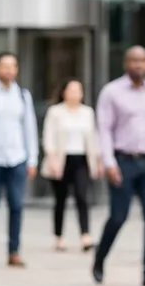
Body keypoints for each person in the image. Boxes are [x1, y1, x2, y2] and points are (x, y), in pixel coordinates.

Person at [93, 46, 145, 286]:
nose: (138, 65)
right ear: (126, 63)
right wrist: (108, 162)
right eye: (134, 60)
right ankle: (99, 258)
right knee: (118, 216)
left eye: (143, 60)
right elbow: (104, 129)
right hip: (123, 161)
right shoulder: (111, 92)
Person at [0, 52, 38, 267]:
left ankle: (14, 251)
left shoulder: (22, 95)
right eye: (4, 66)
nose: (9, 70)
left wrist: (32, 159)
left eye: (13, 66)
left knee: (16, 205)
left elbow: (29, 128)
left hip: (17, 157)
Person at [41, 79, 103, 252]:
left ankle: (85, 235)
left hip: (81, 159)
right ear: (64, 92)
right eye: (72, 90)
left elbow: (94, 138)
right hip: (61, 159)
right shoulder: (55, 112)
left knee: (82, 197)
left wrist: (98, 160)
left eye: (78, 90)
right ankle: (59, 236)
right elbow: (48, 136)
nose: (75, 94)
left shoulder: (87, 112)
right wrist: (52, 158)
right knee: (60, 200)